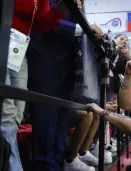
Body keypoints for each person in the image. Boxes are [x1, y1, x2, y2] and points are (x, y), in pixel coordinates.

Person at [1, 1, 80, 171]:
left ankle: (6, 162)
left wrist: (60, 9)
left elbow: (40, 23)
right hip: (3, 39)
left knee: (17, 114)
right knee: (7, 113)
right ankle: (15, 167)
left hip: (19, 47)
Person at [26, 0, 102, 170]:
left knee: (61, 119)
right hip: (44, 61)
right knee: (46, 119)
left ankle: (57, 163)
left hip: (67, 66)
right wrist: (84, 30)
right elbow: (43, 20)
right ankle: (44, 165)